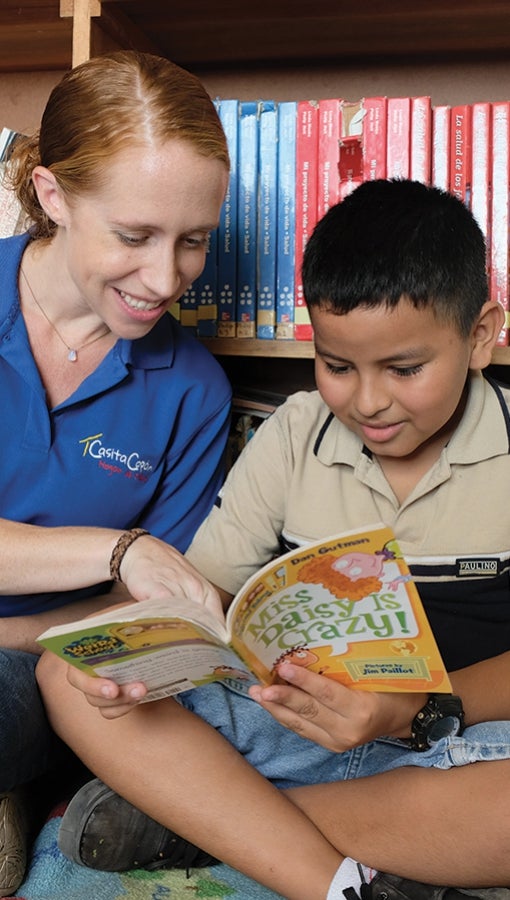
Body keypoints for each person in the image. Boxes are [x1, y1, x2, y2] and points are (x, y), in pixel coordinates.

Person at [37, 178, 510, 900]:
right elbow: (208, 599)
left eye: (405, 369)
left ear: (481, 336)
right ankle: (344, 884)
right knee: (65, 677)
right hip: (290, 726)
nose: (368, 402)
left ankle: (207, 823)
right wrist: (152, 657)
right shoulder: (295, 431)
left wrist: (416, 711)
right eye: (337, 366)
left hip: (454, 742)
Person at [0, 49, 233, 897]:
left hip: (49, 677)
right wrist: (119, 547)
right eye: (134, 236)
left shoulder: (195, 391)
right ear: (53, 195)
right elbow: (137, 567)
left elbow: (148, 612)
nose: (166, 278)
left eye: (194, 241)